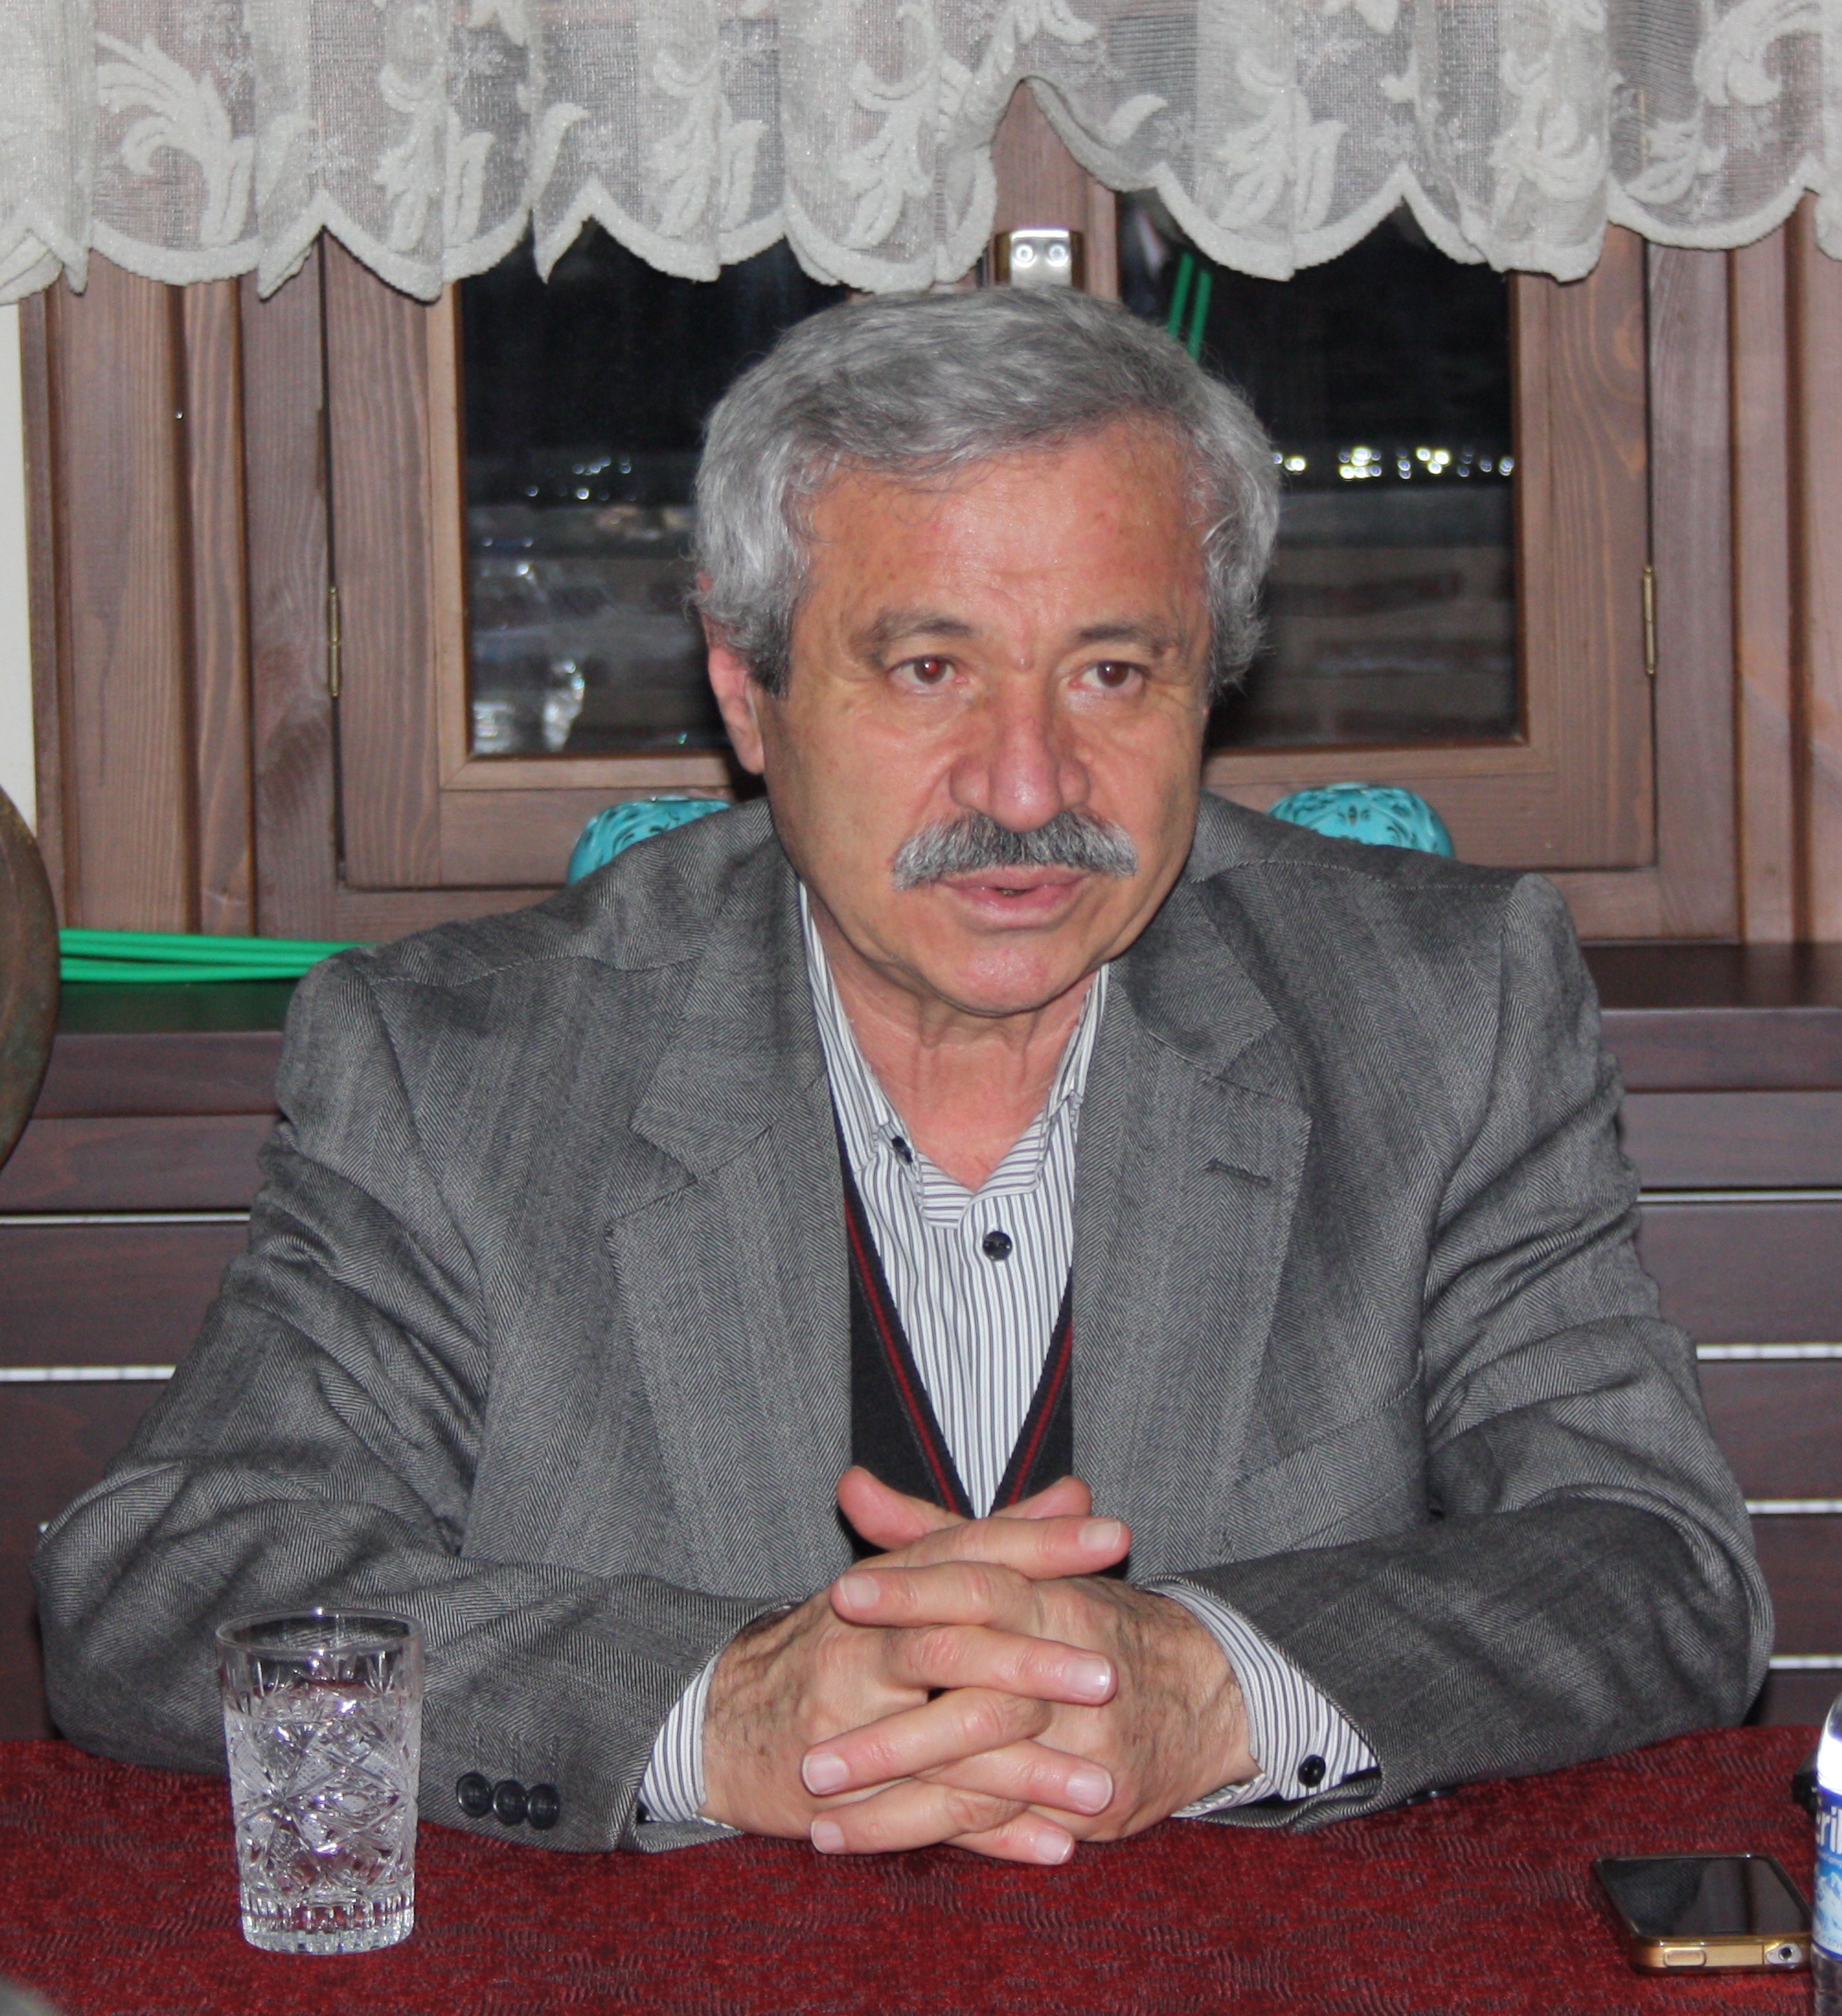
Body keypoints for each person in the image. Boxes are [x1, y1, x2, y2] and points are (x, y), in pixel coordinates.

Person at [36, 289, 1768, 1864]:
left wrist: (1214, 1683)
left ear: (1207, 684)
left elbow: (1653, 1561)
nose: (1026, 787)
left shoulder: (1443, 1011)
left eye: (1111, 671)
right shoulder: (463, 1064)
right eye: (929, 669)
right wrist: (712, 1713)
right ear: (749, 689)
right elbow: (173, 1591)